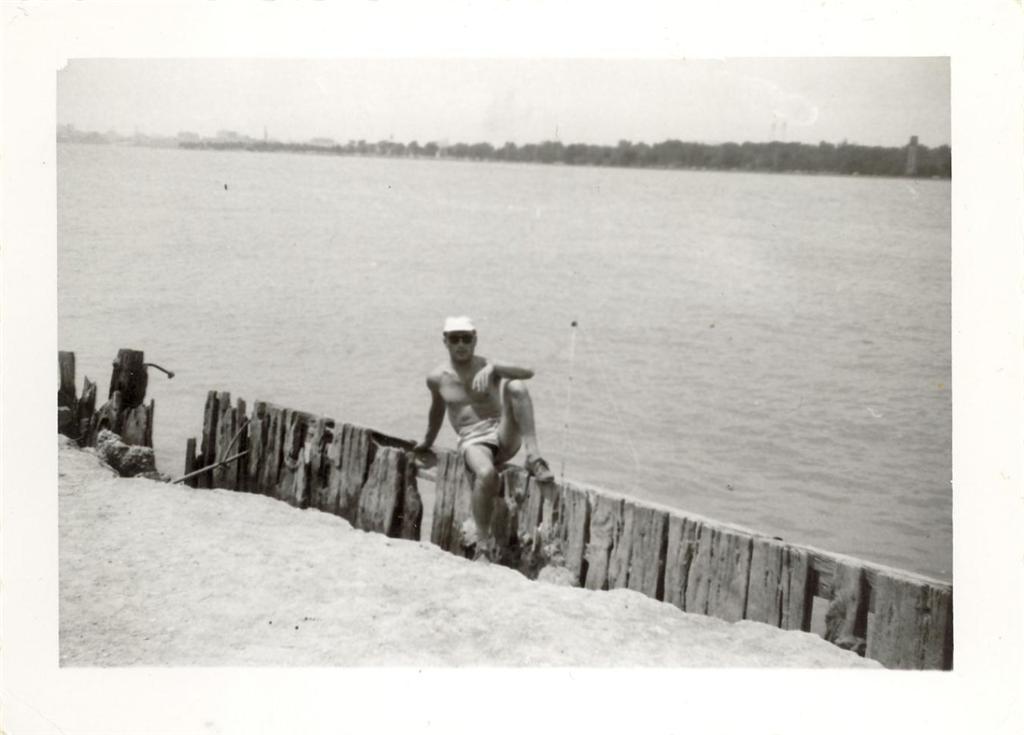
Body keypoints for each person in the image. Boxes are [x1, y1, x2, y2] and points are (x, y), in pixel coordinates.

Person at [413, 316, 554, 560]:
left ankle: (534, 457)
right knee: (487, 474)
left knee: (516, 386)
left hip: (502, 433)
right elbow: (437, 410)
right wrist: (427, 441)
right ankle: (482, 545)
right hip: (473, 440)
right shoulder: (436, 378)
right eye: (455, 339)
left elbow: (529, 372)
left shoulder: (487, 366)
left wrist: (494, 367)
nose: (461, 344)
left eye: (466, 338)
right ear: (445, 341)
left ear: (475, 339)